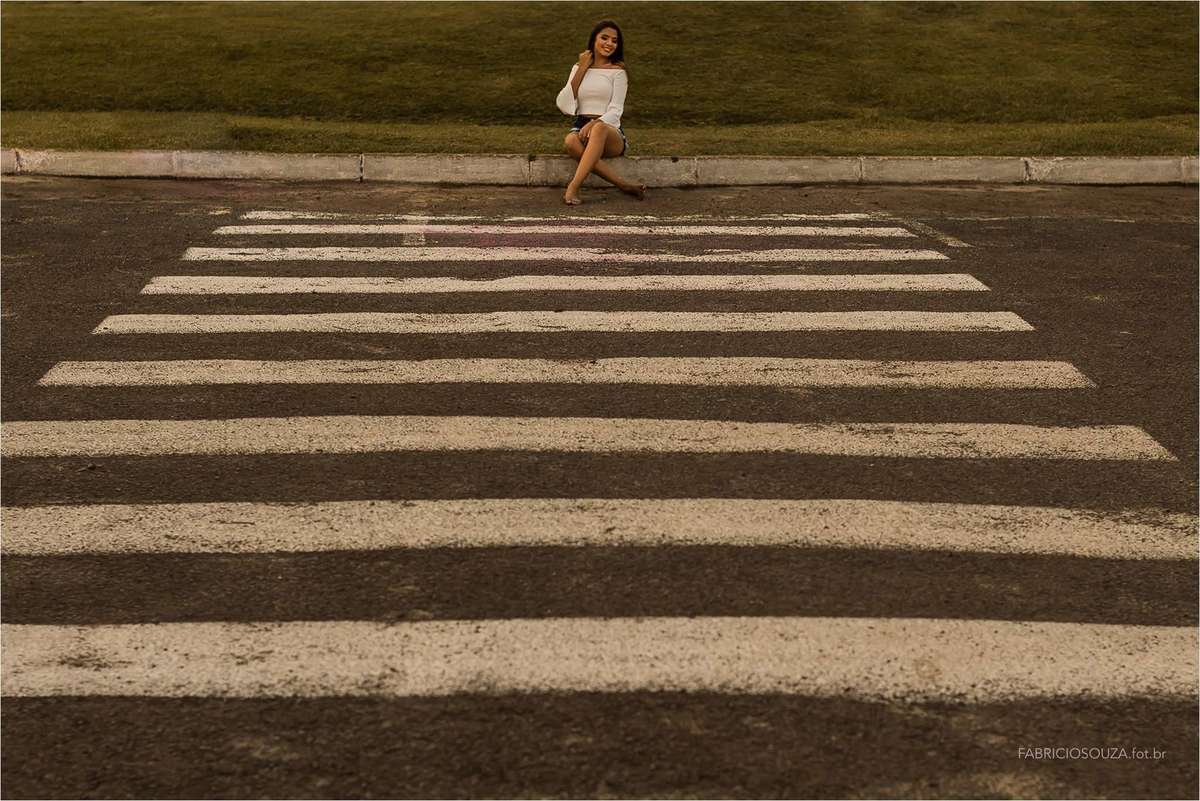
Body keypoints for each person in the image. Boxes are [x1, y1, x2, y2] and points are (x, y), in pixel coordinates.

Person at [555, 19, 647, 206]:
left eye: (614, 40)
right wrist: (582, 67)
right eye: (604, 38)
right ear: (593, 40)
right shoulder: (578, 68)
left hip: (610, 132)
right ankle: (624, 185)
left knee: (599, 129)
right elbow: (564, 104)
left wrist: (595, 122)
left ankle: (572, 188)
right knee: (570, 141)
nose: (609, 44)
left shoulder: (618, 72)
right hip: (581, 126)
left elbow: (616, 111)